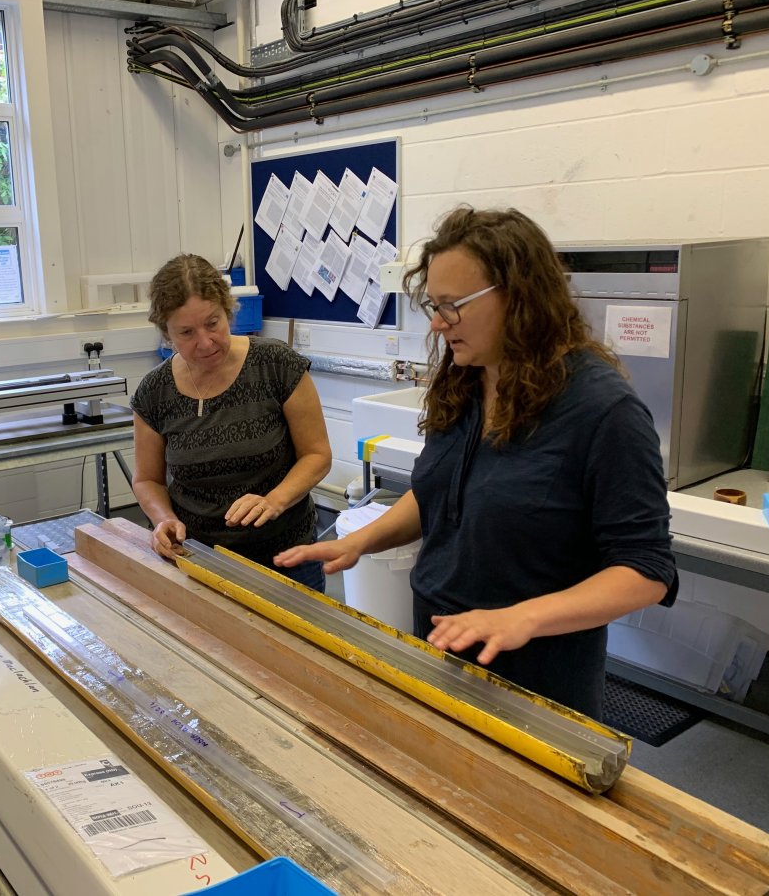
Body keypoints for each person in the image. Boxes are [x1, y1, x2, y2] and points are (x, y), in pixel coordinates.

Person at [276, 206, 677, 719]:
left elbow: (646, 570)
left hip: (539, 674)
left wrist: (522, 619)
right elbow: (443, 493)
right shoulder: (464, 380)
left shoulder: (603, 411)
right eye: (434, 306)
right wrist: (359, 541)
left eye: (453, 306)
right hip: (442, 642)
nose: (439, 324)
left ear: (519, 295)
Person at [131, 253, 332, 591]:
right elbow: (147, 479)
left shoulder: (276, 365)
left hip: (287, 558)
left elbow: (317, 455)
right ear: (166, 333)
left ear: (228, 309)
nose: (206, 342)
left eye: (213, 323)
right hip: (200, 559)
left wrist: (275, 500)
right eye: (186, 333)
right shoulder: (154, 392)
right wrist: (163, 519)